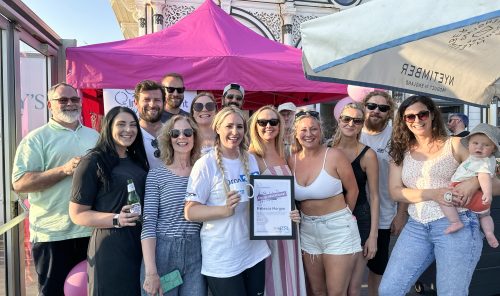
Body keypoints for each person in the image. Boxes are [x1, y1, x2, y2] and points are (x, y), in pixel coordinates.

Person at [379, 95, 483, 295]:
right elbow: (395, 192)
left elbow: (491, 180)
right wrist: (432, 194)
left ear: (433, 115)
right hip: (417, 225)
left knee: (450, 293)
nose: (417, 120)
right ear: (403, 121)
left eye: (422, 114)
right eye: (410, 117)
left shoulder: (454, 144)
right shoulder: (400, 151)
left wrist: (474, 181)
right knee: (389, 289)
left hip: (456, 224)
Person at [11, 82, 99, 296]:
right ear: (50, 105)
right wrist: (63, 170)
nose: (70, 103)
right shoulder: (36, 139)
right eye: (63, 100)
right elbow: (20, 182)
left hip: (89, 230)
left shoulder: (94, 136)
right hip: (53, 234)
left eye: (74, 99)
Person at [184, 106, 270, 296]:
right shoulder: (205, 164)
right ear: (217, 128)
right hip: (223, 258)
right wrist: (224, 210)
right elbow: (190, 212)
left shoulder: (250, 159)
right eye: (229, 126)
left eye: (239, 127)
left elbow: (262, 202)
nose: (234, 132)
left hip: (254, 252)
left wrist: (283, 214)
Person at [69, 106, 149, 296]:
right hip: (111, 247)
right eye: (121, 124)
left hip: (140, 245)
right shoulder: (93, 161)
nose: (128, 130)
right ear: (108, 127)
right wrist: (116, 219)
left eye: (132, 125)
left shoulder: (137, 159)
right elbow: (77, 214)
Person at [288, 109, 361, 296]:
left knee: (336, 292)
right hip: (308, 230)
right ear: (296, 134)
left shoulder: (334, 155)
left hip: (338, 229)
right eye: (303, 130)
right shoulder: (291, 161)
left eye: (314, 129)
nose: (308, 134)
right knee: (317, 291)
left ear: (321, 131)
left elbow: (353, 190)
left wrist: (344, 217)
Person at [141, 115, 206, 296]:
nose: (182, 137)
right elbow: (149, 223)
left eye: (187, 132)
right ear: (168, 138)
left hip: (197, 252)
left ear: (194, 137)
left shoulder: (204, 172)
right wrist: (151, 271)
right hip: (164, 253)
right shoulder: (156, 175)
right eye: (175, 133)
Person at [248, 105, 306, 296]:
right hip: (266, 230)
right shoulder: (251, 156)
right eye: (262, 122)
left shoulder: (286, 153)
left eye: (273, 122)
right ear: (255, 126)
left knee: (289, 273)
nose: (268, 126)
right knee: (272, 277)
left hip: (289, 226)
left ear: (280, 125)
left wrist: (296, 210)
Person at [359, 90, 408, 296]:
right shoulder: (352, 130)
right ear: (364, 108)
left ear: (389, 113)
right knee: (351, 268)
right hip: (352, 213)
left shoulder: (396, 138)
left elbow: (407, 177)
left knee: (378, 268)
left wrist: (401, 212)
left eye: (383, 108)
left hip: (385, 214)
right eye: (371, 106)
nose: (376, 111)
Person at [330, 102, 380, 296]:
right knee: (335, 285)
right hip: (331, 221)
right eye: (347, 119)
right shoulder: (326, 149)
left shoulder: (368, 155)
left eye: (357, 120)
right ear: (339, 120)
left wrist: (373, 236)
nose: (351, 123)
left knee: (353, 287)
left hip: (360, 219)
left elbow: (374, 196)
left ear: (362, 124)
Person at [445, 123, 499, 247]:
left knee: (444, 200)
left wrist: (487, 193)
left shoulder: (483, 161)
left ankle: (455, 221)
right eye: (475, 143)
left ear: (493, 149)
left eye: (485, 145)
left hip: (463, 189)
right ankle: (489, 233)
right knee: (485, 215)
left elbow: (483, 176)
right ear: (468, 144)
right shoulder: (481, 159)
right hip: (480, 199)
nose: (479, 147)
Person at [134, 79, 166, 169]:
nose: (152, 105)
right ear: (136, 103)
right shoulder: (131, 135)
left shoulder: (173, 132)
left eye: (157, 100)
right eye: (146, 100)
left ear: (164, 103)